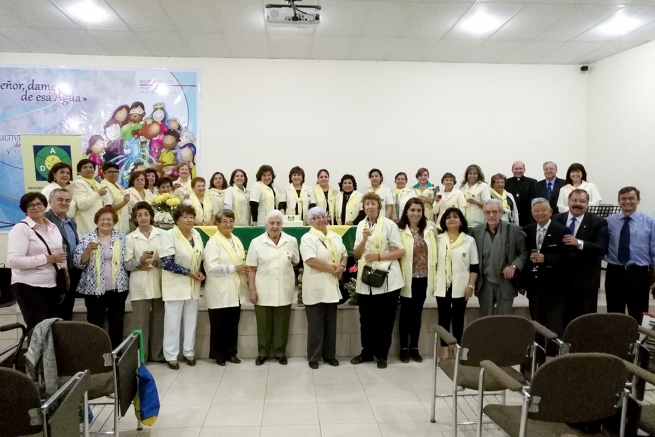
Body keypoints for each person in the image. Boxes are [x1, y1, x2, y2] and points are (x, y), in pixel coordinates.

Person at [351, 193, 405, 369]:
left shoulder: (389, 225)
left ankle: (382, 355)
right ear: (363, 207)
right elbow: (357, 254)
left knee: (385, 319)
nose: (370, 207)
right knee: (366, 320)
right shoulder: (360, 225)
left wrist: (379, 256)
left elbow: (400, 251)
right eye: (367, 204)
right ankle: (367, 352)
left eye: (373, 203)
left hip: (388, 278)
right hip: (366, 280)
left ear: (379, 206)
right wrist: (365, 239)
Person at [7, 192, 68, 332]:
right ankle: (36, 355)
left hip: (52, 285)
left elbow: (59, 253)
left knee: (52, 328)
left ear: (45, 206)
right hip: (29, 286)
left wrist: (63, 270)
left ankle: (50, 355)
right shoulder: (21, 229)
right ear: (25, 209)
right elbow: (13, 260)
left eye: (39, 203)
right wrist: (47, 259)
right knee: (37, 329)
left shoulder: (53, 227)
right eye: (31, 205)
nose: (36, 207)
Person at [246, 210, 300, 366]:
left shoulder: (291, 241)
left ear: (282, 225)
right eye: (272, 223)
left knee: (282, 323)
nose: (275, 226)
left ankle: (279, 352)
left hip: (284, 288)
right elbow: (251, 269)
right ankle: (262, 353)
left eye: (278, 223)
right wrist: (252, 290)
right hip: (262, 289)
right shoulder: (256, 242)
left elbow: (295, 261)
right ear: (266, 224)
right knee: (263, 323)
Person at [74, 206, 129, 348]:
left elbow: (128, 260)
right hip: (93, 290)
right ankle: (96, 355)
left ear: (114, 222)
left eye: (109, 219)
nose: (105, 222)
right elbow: (78, 264)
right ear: (97, 221)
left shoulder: (122, 238)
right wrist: (87, 251)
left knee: (117, 324)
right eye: (102, 219)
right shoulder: (87, 239)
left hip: (118, 288)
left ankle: (115, 354)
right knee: (95, 324)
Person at [300, 207, 347, 369]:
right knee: (315, 325)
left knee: (330, 324)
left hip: (332, 286)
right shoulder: (307, 238)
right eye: (316, 217)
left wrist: (341, 266)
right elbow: (310, 260)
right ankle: (314, 357)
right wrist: (333, 269)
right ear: (310, 221)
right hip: (315, 286)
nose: (321, 219)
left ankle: (329, 355)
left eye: (323, 216)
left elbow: (344, 254)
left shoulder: (334, 236)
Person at [159, 204, 205, 370]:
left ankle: (189, 352)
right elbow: (166, 263)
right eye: (185, 216)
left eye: (192, 216)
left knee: (191, 321)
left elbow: (199, 259)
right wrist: (188, 272)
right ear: (177, 219)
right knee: (172, 322)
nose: (189, 220)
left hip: (193, 286)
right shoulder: (169, 235)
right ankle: (171, 356)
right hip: (175, 286)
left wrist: (199, 272)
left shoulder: (197, 234)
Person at [552, 189, 608, 326]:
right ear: (568, 202)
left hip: (586, 282)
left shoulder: (598, 222)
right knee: (561, 320)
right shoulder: (556, 219)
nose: (578, 204)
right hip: (560, 280)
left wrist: (579, 243)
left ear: (588, 204)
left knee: (585, 322)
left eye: (582, 201)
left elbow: (601, 248)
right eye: (574, 200)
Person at [521, 198, 573, 337]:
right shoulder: (527, 230)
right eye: (536, 211)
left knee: (554, 324)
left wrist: (546, 258)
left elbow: (569, 257)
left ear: (550, 212)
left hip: (554, 286)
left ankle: (555, 356)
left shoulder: (562, 230)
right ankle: (538, 356)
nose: (540, 213)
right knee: (536, 324)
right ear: (532, 214)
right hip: (534, 286)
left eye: (543, 210)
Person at [203, 210, 249, 366]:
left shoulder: (236, 240)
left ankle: (231, 353)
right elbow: (212, 267)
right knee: (218, 324)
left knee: (232, 324)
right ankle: (219, 355)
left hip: (234, 289)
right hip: (219, 289)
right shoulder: (213, 242)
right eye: (224, 221)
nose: (228, 224)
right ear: (217, 224)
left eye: (231, 221)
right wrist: (234, 268)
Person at [605, 187, 655, 324]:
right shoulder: (608, 221)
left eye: (631, 198)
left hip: (638, 274)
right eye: (623, 198)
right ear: (618, 201)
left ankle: (637, 344)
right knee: (614, 314)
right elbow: (603, 245)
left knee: (638, 314)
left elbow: (654, 251)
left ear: (638, 200)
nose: (627, 201)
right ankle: (617, 344)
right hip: (615, 272)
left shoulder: (650, 222)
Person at [434, 207, 478, 359]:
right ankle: (444, 349)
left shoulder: (469, 240)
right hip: (442, 285)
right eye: (448, 217)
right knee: (443, 318)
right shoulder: (438, 239)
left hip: (462, 285)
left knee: (458, 319)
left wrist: (471, 286)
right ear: (444, 222)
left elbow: (474, 266)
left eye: (455, 217)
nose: (451, 219)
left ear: (461, 221)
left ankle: (458, 348)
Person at [471, 199, 527, 317]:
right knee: (486, 320)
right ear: (484, 214)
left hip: (505, 283)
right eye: (487, 212)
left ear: (501, 213)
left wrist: (514, 266)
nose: (491, 215)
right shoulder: (476, 231)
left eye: (495, 212)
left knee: (504, 320)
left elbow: (523, 253)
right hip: (485, 283)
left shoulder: (514, 230)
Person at [124, 202, 165, 363]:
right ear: (135, 218)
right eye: (139, 215)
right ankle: (141, 357)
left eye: (146, 214)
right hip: (139, 284)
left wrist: (156, 263)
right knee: (140, 322)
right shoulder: (130, 238)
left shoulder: (162, 234)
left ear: (151, 216)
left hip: (160, 281)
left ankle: (157, 354)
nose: (143, 218)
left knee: (159, 321)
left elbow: (169, 258)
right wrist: (139, 261)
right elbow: (127, 263)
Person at [398, 198, 437, 363]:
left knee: (417, 314)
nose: (415, 213)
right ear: (406, 212)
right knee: (405, 314)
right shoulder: (399, 230)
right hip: (405, 278)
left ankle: (414, 347)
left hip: (423, 277)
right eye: (412, 210)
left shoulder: (430, 229)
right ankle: (403, 348)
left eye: (419, 210)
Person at [45, 188, 81, 321]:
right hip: (54, 273)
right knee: (55, 313)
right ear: (50, 201)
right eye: (60, 200)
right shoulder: (45, 220)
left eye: (67, 200)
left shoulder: (71, 222)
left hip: (70, 271)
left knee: (67, 310)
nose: (64, 203)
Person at [69, 159, 108, 235]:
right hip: (85, 226)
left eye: (91, 167)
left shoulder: (95, 184)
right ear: (79, 171)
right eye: (85, 167)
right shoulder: (78, 184)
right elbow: (82, 205)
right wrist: (98, 193)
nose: (89, 169)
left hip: (97, 224)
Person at [100, 162, 131, 234]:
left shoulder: (117, 185)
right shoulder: (104, 187)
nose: (114, 174)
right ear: (104, 173)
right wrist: (124, 202)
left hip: (123, 223)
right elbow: (108, 208)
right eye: (110, 172)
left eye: (116, 171)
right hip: (114, 224)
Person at [505, 161, 537, 227]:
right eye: (516, 169)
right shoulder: (507, 182)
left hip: (528, 217)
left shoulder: (532, 182)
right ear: (512, 170)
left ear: (524, 170)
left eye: (520, 168)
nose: (518, 170)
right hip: (512, 216)